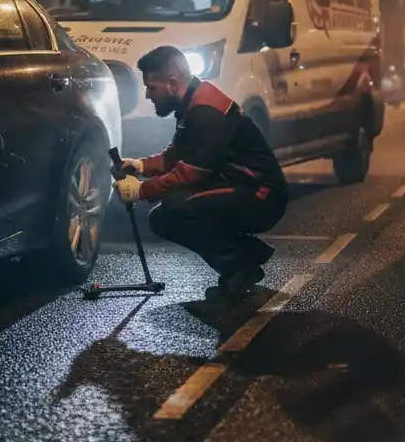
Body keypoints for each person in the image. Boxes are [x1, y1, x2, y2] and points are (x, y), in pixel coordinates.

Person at [114, 45, 288, 296]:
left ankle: (240, 267)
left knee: (175, 209)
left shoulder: (206, 110)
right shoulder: (195, 100)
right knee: (165, 215)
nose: (149, 96)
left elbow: (192, 173)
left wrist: (142, 190)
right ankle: (247, 253)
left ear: (172, 83)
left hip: (260, 194)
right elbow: (178, 154)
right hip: (240, 187)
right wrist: (141, 165)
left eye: (152, 87)